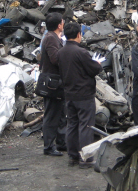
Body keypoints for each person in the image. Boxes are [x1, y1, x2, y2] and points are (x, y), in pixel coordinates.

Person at [57, 22, 103, 168]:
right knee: (86, 125)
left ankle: (73, 157)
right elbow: (94, 69)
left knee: (72, 125)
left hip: (69, 94)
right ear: (78, 35)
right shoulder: (81, 52)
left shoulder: (61, 52)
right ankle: (86, 158)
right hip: (84, 94)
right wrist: (97, 63)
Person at [40, 12, 67, 156]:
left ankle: (62, 142)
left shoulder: (54, 37)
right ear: (59, 25)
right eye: (62, 22)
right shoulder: (51, 38)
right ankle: (49, 146)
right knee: (51, 114)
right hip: (52, 83)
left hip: (58, 82)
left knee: (62, 113)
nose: (63, 24)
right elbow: (55, 59)